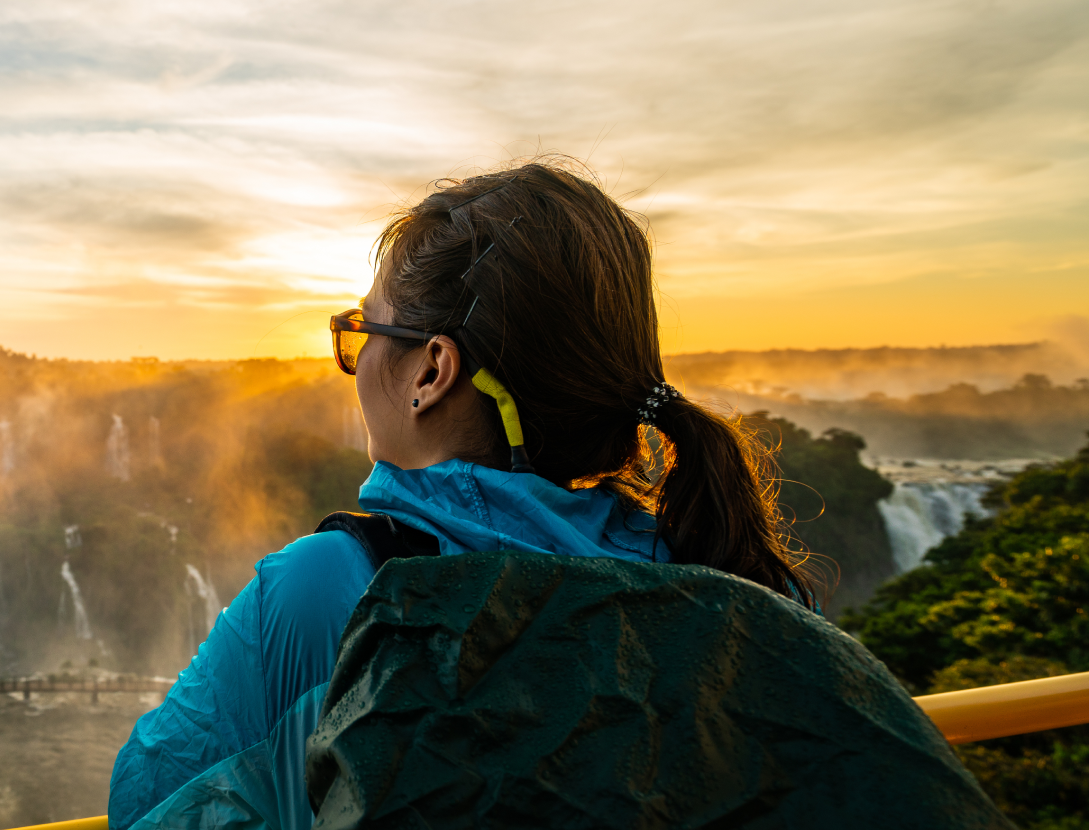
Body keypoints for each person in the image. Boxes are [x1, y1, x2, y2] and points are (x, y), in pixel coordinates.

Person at [105, 159, 825, 829]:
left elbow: (146, 796)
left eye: (363, 331)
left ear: (432, 371)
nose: (354, 364)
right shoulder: (725, 576)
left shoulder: (334, 585)